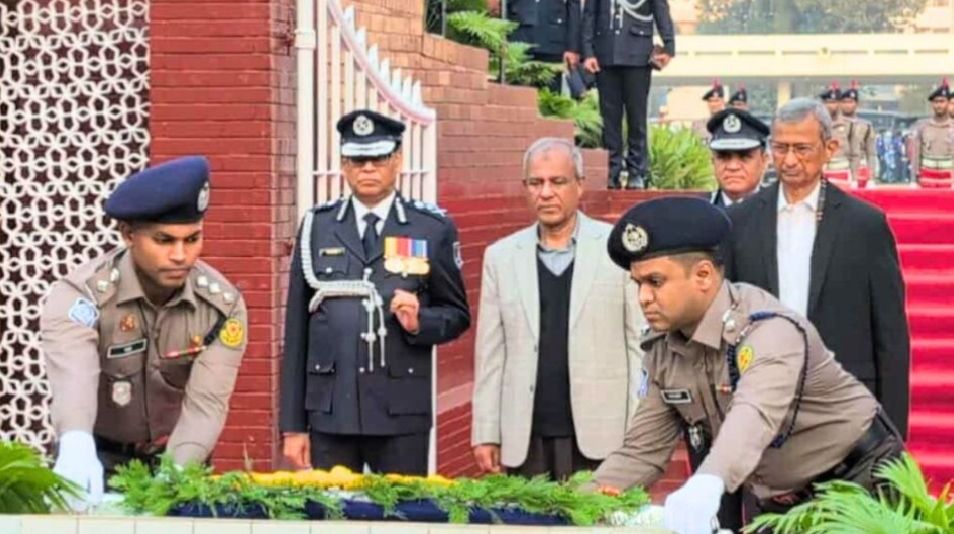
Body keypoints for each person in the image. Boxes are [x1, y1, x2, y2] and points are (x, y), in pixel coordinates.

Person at [592, 196, 905, 534]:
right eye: (638, 283)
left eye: (655, 282)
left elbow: (754, 414)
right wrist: (572, 504)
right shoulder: (664, 350)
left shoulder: (767, 330)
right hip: (784, 503)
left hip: (861, 482)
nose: (643, 298)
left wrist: (707, 482)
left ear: (703, 275)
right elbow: (642, 452)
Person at [42, 156, 248, 510]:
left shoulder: (221, 307)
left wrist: (173, 477)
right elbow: (74, 377)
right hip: (98, 458)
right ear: (128, 235)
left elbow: (207, 405)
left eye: (192, 239)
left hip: (181, 460)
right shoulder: (83, 297)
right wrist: (76, 444)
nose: (180, 255)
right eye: (164, 240)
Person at [279, 109, 471, 475]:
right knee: (332, 508)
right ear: (343, 164)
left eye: (378, 158)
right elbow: (297, 332)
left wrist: (421, 322)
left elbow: (457, 314)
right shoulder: (317, 226)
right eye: (357, 159)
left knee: (402, 508)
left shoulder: (430, 227)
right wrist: (292, 426)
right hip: (331, 410)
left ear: (397, 160)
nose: (368, 168)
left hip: (400, 410)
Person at [723, 98, 910, 440]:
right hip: (762, 399)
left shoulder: (864, 225)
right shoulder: (739, 222)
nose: (789, 160)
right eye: (781, 148)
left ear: (830, 148)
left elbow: (891, 335)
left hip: (844, 402)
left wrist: (892, 435)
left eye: (802, 149)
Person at [470, 138, 644, 480]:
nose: (546, 193)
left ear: (579, 185)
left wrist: (639, 433)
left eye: (557, 181)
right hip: (525, 436)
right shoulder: (501, 257)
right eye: (536, 183)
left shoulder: (617, 251)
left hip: (603, 435)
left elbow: (639, 346)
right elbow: (490, 354)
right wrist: (486, 432)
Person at [581, 0, 675, 190]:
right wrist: (588, 52)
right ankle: (612, 170)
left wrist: (669, 44)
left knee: (637, 118)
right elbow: (590, 14)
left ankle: (636, 171)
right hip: (606, 52)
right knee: (609, 119)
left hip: (637, 52)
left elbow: (660, 8)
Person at [505, 0, 581, 93]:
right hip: (518, 35)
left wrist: (572, 47)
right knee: (516, 94)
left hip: (552, 38)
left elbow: (573, 5)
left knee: (549, 95)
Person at [707, 108, 770, 208]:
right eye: (723, 157)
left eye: (744, 157)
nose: (733, 167)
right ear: (713, 161)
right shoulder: (700, 211)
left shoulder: (779, 210)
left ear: (764, 161)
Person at [909, 78, 954, 188]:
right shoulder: (922, 126)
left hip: (949, 180)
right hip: (927, 180)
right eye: (936, 102)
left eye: (942, 101)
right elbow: (916, 155)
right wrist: (913, 180)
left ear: (948, 103)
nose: (939, 105)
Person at [840, 81, 878, 188]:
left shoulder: (865, 126)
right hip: (839, 168)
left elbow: (871, 153)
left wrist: (871, 177)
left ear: (857, 104)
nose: (847, 105)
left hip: (859, 169)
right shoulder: (834, 125)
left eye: (850, 102)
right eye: (844, 102)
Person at [818, 83, 852, 188]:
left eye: (833, 102)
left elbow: (856, 152)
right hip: (821, 170)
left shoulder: (849, 125)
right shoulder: (816, 124)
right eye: (827, 102)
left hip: (843, 170)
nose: (830, 106)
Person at [691, 80, 726, 145]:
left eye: (716, 101)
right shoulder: (698, 125)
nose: (713, 104)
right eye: (710, 101)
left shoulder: (729, 123)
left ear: (723, 101)